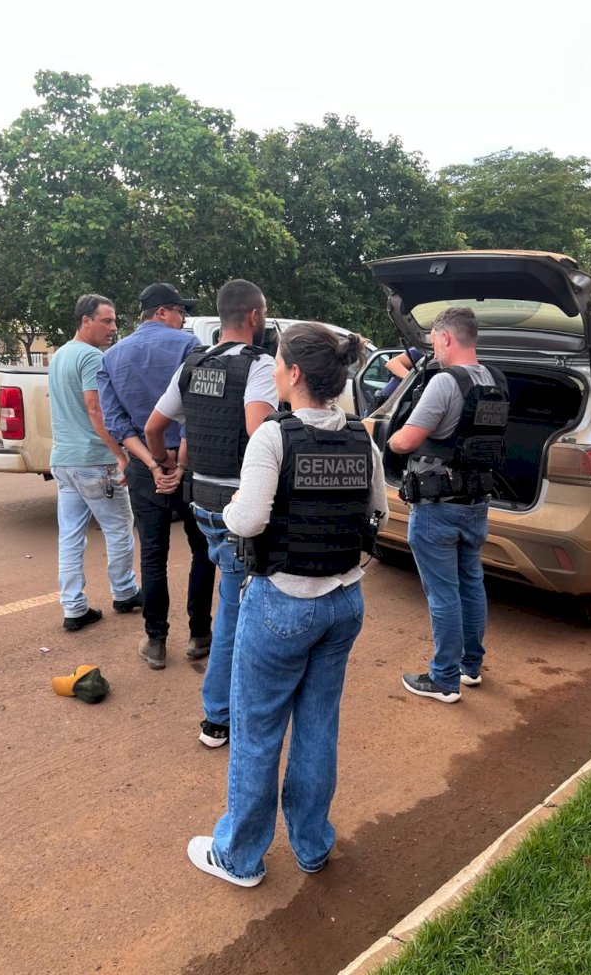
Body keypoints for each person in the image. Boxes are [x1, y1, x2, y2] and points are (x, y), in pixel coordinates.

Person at [185, 322, 388, 886]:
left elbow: (248, 520)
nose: (272, 369)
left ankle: (240, 857)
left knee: (256, 731)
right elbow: (381, 515)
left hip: (282, 603)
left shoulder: (274, 437)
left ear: (295, 373)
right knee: (318, 726)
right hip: (345, 602)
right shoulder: (360, 437)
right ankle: (312, 844)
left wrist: (225, 514)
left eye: (276, 361)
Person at [144, 279, 278, 747]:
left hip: (201, 501)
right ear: (255, 316)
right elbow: (259, 432)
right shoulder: (260, 364)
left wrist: (165, 463)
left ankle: (225, 706)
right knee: (238, 609)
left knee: (232, 595)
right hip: (240, 506)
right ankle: (218, 715)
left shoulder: (193, 363)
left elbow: (153, 426)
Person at [388, 306, 510, 703]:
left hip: (437, 507)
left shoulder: (445, 383)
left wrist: (389, 442)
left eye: (434, 341)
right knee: (471, 584)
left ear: (445, 338)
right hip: (476, 502)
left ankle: (443, 680)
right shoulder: (497, 380)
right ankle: (470, 667)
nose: (433, 349)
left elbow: (405, 441)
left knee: (443, 594)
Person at [97, 282, 216, 670]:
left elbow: (117, 424)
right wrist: (177, 466)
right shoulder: (188, 347)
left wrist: (151, 464)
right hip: (190, 464)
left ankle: (156, 642)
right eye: (181, 312)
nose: (184, 320)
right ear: (164, 312)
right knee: (203, 550)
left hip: (146, 469)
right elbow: (199, 413)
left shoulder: (110, 356)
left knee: (153, 555)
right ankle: (200, 635)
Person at [49, 294, 140, 631]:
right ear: (85, 321)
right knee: (118, 529)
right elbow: (95, 409)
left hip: (63, 461)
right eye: (107, 320)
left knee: (70, 535)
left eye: (114, 321)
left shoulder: (59, 355)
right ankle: (126, 592)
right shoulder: (90, 357)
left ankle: (74, 608)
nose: (113, 328)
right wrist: (119, 452)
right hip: (95, 461)